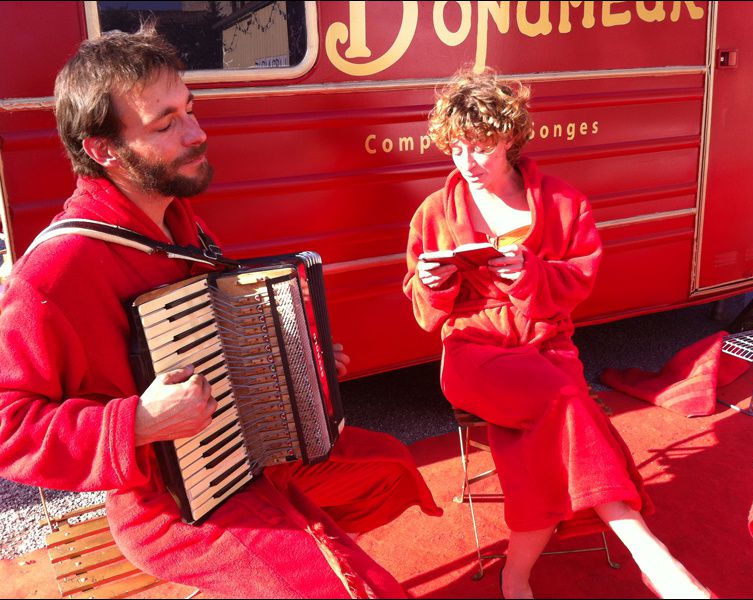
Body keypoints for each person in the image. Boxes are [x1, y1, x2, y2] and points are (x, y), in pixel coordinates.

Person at [0, 24, 441, 599]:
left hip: (250, 454)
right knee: (351, 590)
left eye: (190, 109)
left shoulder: (179, 224)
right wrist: (138, 422)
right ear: (104, 150)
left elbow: (222, 337)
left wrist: (297, 366)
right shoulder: (54, 273)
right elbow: (8, 428)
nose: (197, 133)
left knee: (389, 468)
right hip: (173, 505)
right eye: (166, 125)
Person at [403, 68, 711, 599]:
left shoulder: (566, 203)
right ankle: (648, 552)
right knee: (569, 400)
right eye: (456, 149)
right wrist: (433, 282)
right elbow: (424, 313)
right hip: (474, 352)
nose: (468, 162)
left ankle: (514, 573)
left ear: (510, 138)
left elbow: (577, 284)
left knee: (541, 447)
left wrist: (526, 271)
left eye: (482, 147)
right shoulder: (434, 211)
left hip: (546, 343)